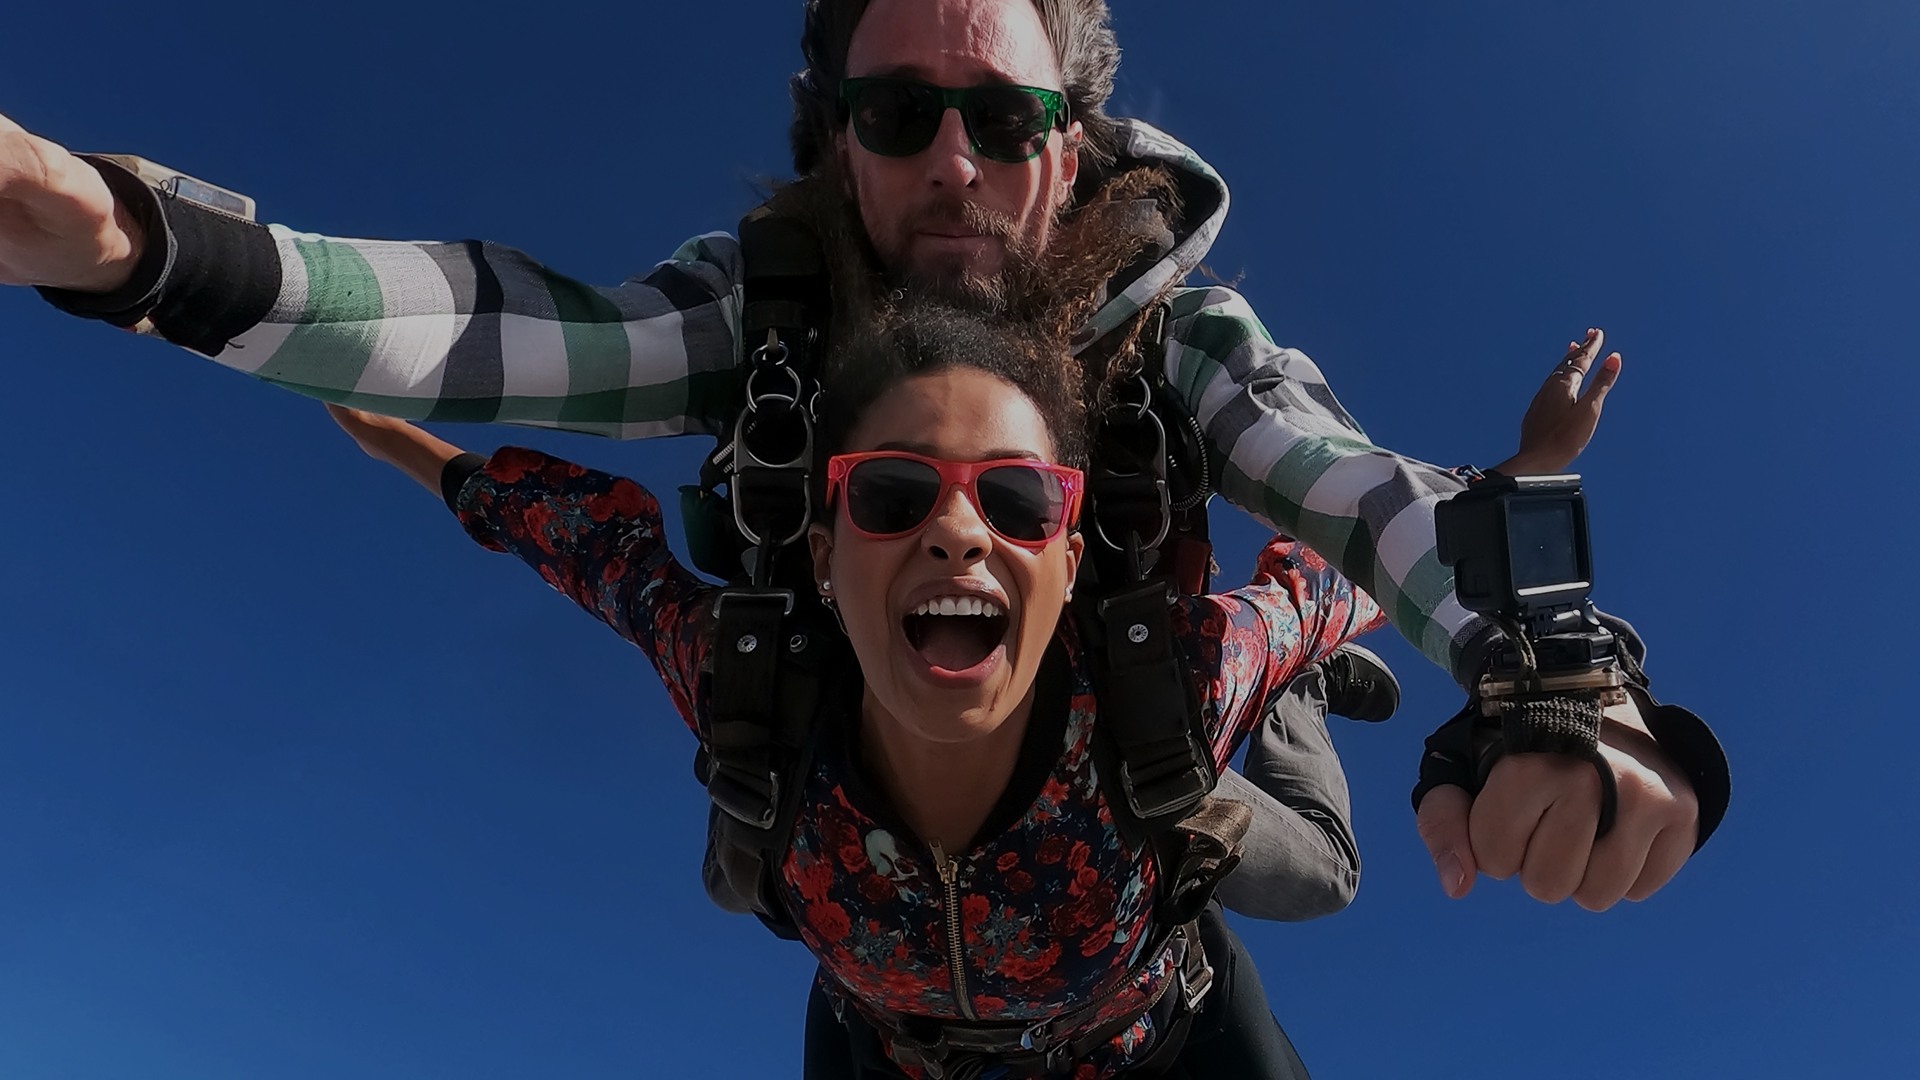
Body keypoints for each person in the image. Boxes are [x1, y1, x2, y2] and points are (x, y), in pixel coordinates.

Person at [0, 0, 1720, 911]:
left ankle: (1282, 684)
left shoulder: (1182, 338)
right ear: (840, 142)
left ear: (1079, 146)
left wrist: (1550, 675)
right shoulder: (761, 328)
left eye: (1006, 117)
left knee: (1274, 786)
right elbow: (510, 338)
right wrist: (137, 240)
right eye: (900, 117)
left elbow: (1346, 485)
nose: (954, 165)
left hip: (1142, 738)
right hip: (902, 866)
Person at [326, 295, 1384, 1078]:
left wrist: (1536, 669)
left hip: (1163, 1038)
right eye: (893, 492)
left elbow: (1351, 578)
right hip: (890, 1050)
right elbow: (592, 545)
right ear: (824, 556)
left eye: (1017, 500)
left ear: (1068, 567)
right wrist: (407, 447)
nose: (959, 531)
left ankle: (1304, 700)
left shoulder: (1182, 682)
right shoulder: (755, 684)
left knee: (1326, 876)